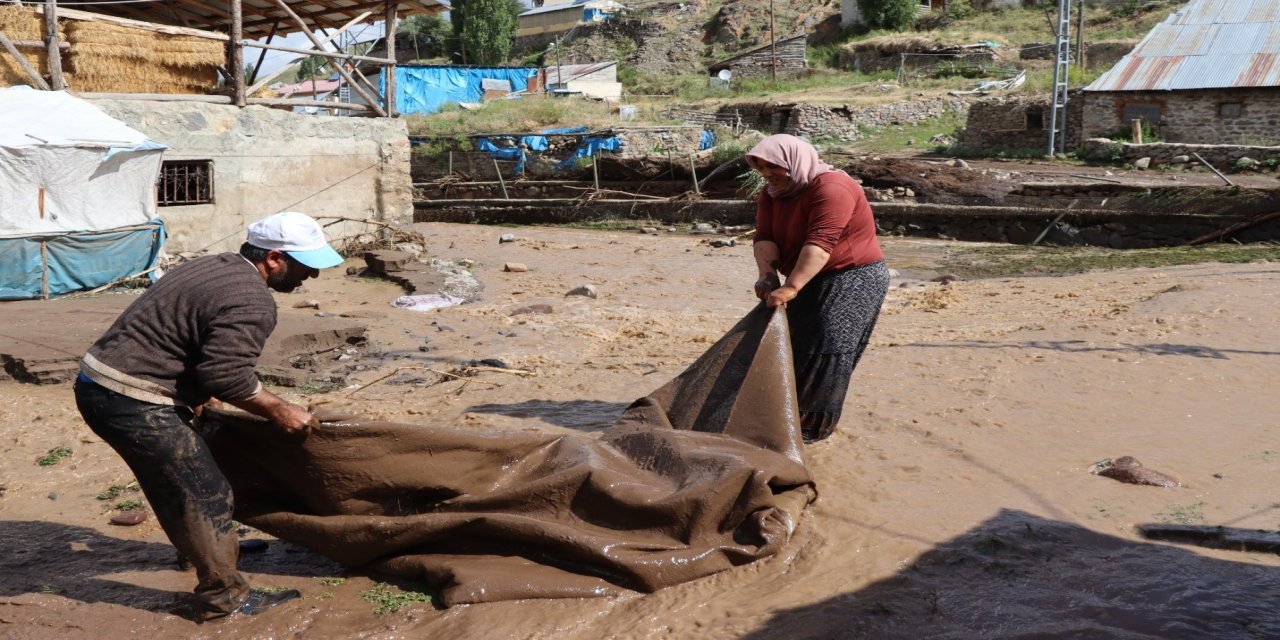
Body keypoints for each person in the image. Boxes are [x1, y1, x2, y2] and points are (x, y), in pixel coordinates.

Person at [73, 211, 345, 621]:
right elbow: (226, 374)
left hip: (103, 381)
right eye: (307, 265)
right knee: (205, 493)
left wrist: (199, 394)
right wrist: (279, 409)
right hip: (132, 397)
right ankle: (224, 597)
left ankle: (210, 552)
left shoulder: (214, 264)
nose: (313, 276)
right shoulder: (252, 300)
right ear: (273, 258)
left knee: (184, 477)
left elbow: (186, 338)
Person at [746, 134, 891, 443]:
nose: (768, 175)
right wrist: (768, 276)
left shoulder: (831, 187)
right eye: (762, 169)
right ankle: (783, 418)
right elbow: (765, 236)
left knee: (828, 346)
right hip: (808, 274)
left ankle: (812, 432)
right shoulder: (773, 193)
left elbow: (821, 243)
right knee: (795, 343)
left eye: (774, 167)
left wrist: (792, 286)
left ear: (793, 161)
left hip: (853, 277)